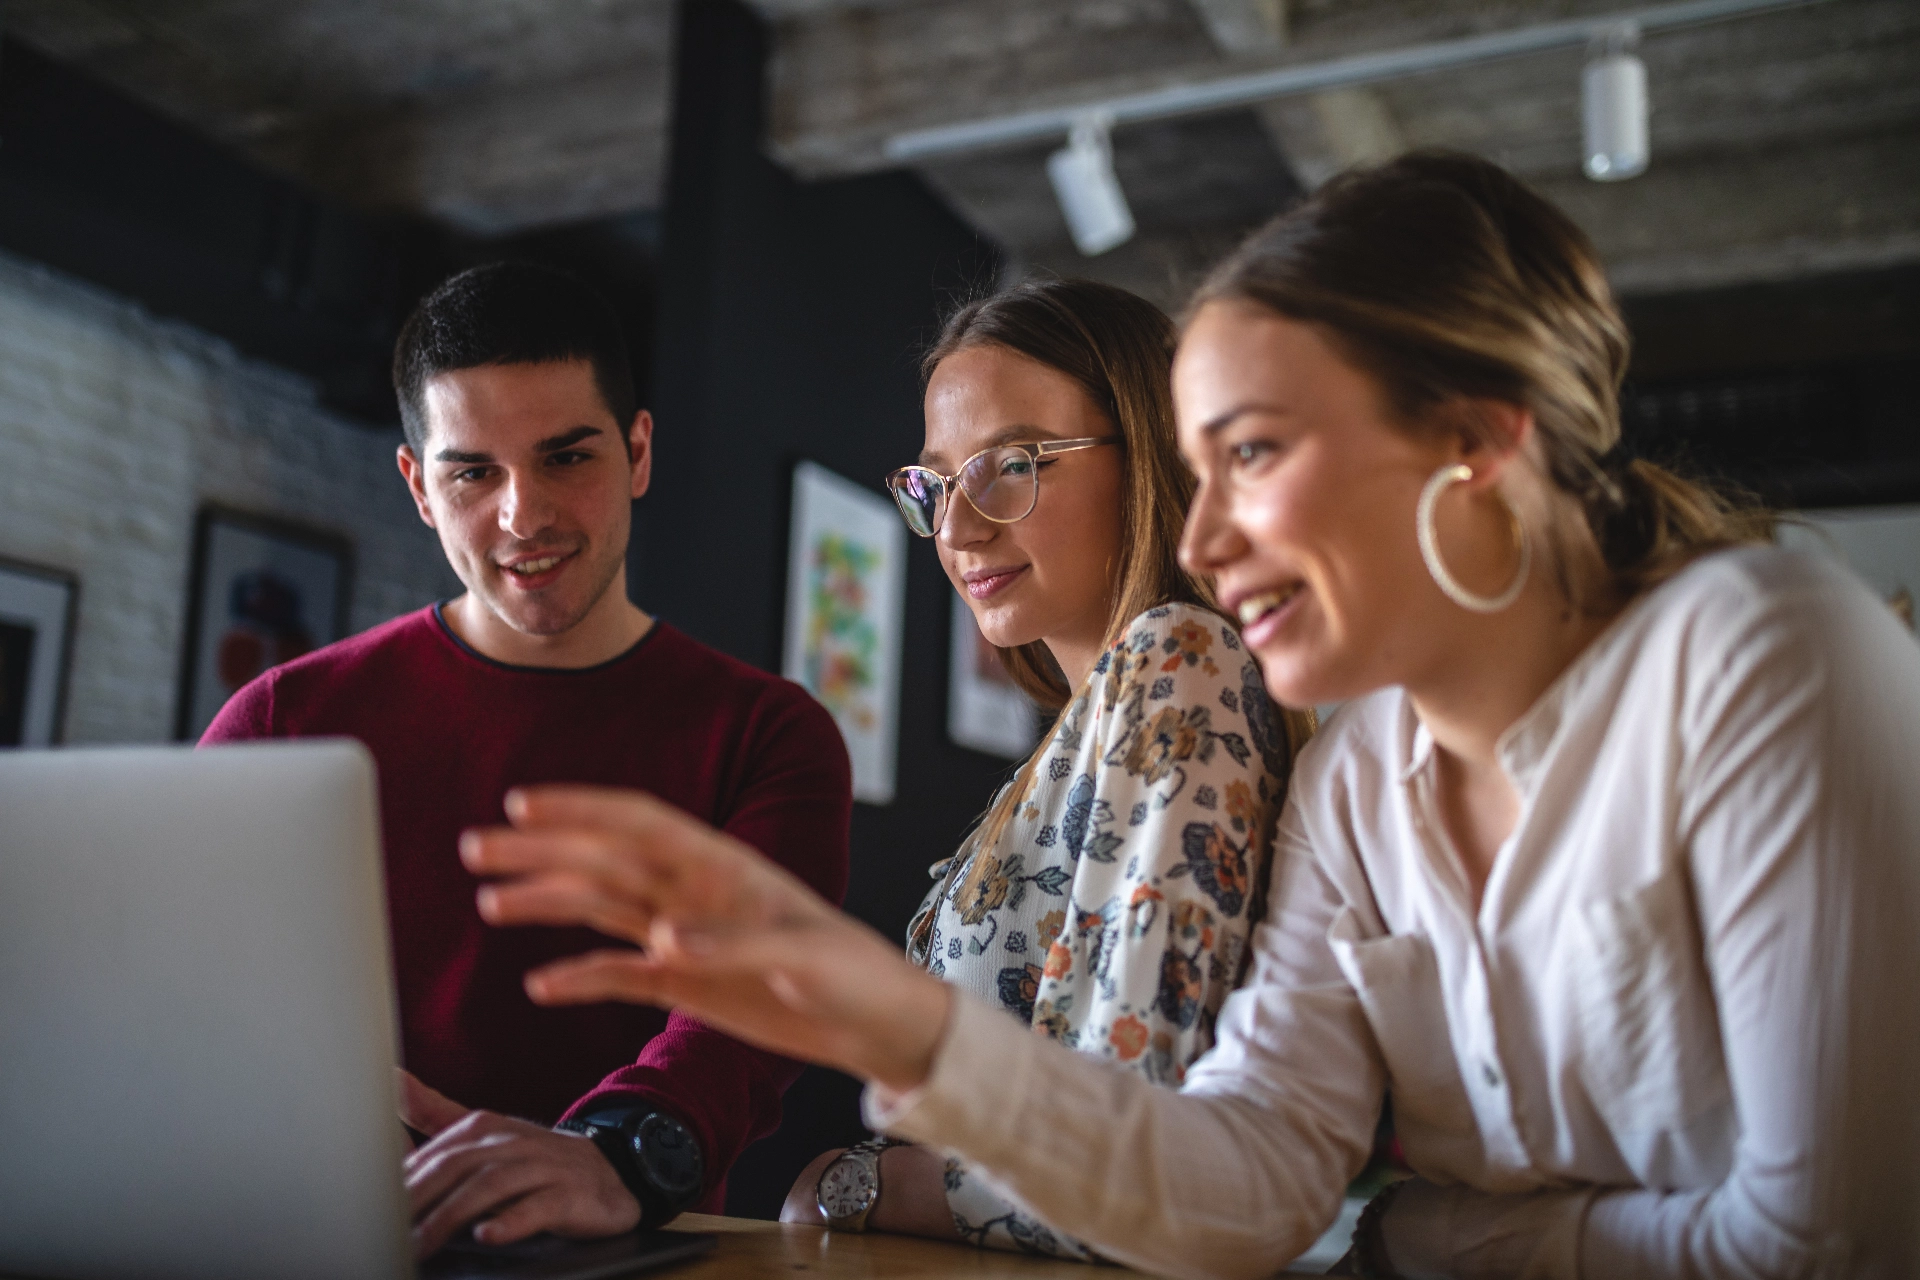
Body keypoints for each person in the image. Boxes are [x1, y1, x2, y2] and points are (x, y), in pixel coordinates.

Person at [455, 154, 1920, 1278]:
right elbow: (1255, 1185)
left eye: (1255, 455)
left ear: (1473, 441)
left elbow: (1825, 1244)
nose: (1205, 540)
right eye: (1199, 474)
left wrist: (1431, 1234)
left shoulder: (1763, 653)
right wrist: (905, 1025)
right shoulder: (1360, 780)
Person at [200, 262, 852, 1257]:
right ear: (420, 488)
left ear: (638, 453)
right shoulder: (284, 719)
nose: (524, 514)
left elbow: (753, 1003)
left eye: (567, 457)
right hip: (330, 1239)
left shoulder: (771, 734)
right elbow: (196, 997)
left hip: (622, 1257)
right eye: (474, 473)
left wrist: (617, 1152)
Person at [775, 279, 1308, 1257]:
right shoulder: (1090, 719)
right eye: (937, 484)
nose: (959, 528)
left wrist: (861, 1184)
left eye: (1011, 466)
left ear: (1150, 452)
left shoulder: (1176, 661)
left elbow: (1122, 1168)